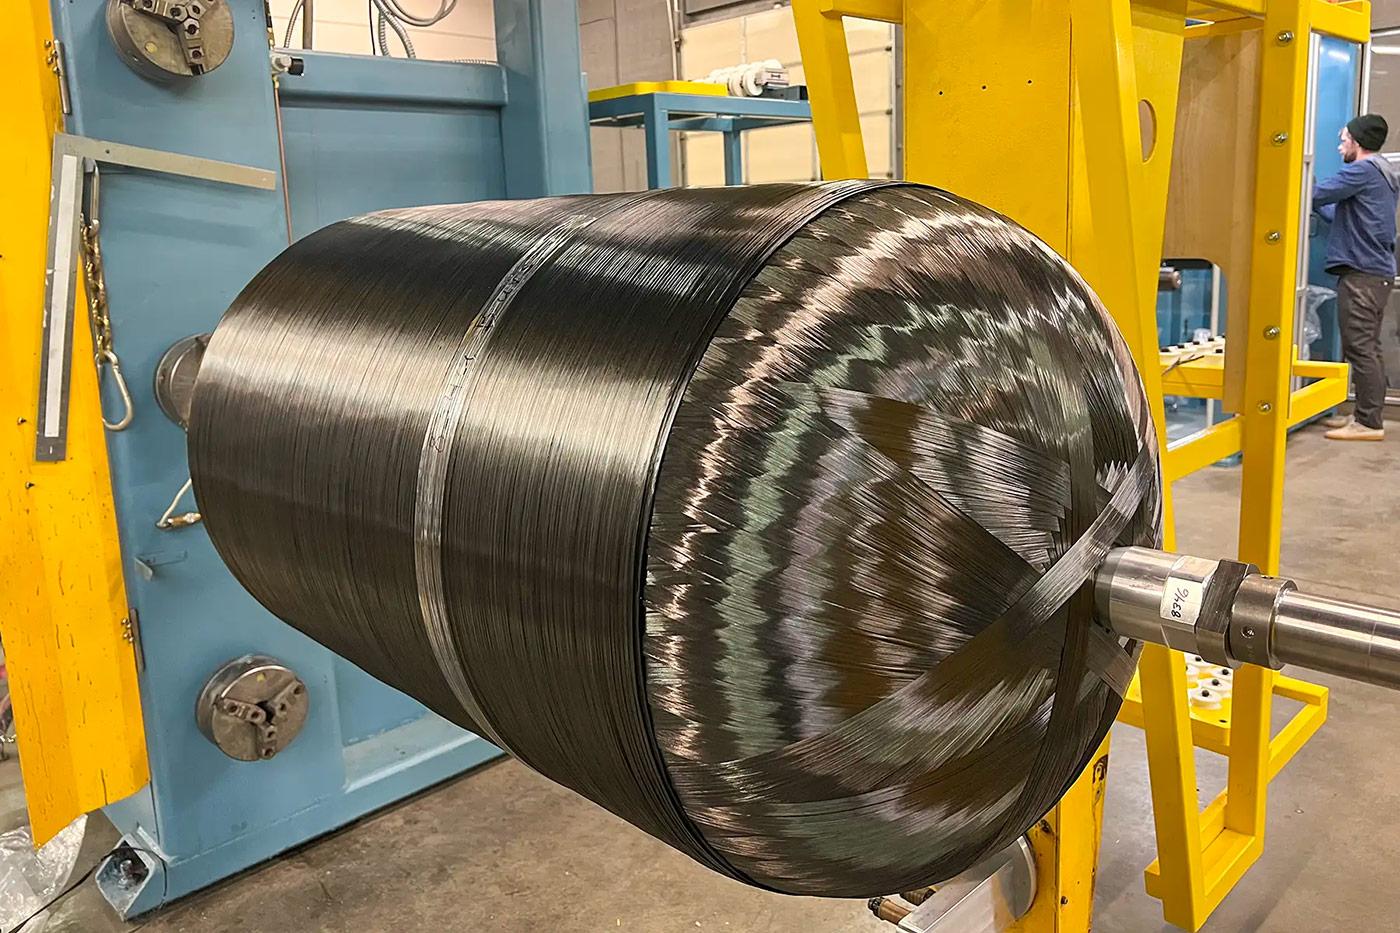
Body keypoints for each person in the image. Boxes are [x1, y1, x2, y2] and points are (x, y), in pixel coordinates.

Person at [1314, 113, 1400, 441]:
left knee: (1360, 347)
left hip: (1363, 275)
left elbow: (1316, 194)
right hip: (1374, 274)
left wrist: (1301, 178)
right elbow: (1337, 213)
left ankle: (1368, 423)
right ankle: (1367, 414)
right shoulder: (1381, 173)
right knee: (1368, 346)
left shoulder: (1362, 171)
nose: (1340, 147)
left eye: (1344, 141)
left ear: (1357, 142)